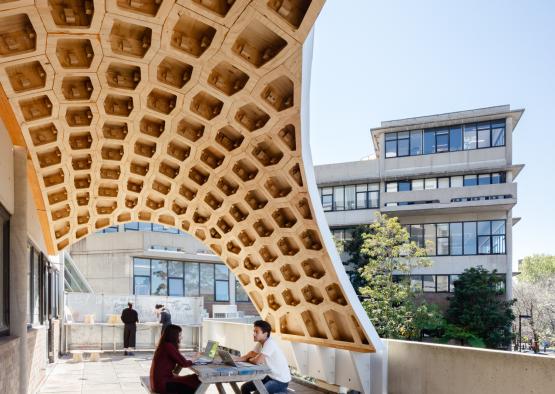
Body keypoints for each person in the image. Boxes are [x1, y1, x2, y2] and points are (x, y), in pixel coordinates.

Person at [239, 320, 291, 394]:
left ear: (265, 334)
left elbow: (257, 361)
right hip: (270, 377)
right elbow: (250, 355)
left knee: (258, 393)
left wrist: (249, 359)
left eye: (256, 332)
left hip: (280, 381)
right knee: (245, 387)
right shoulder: (260, 343)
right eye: (254, 331)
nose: (253, 334)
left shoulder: (270, 343)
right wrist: (234, 359)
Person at [150, 324, 201, 394]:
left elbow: (179, 359)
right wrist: (196, 358)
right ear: (173, 336)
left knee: (195, 379)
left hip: (158, 381)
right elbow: (184, 364)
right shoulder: (168, 346)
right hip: (162, 384)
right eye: (179, 335)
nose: (181, 337)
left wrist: (189, 359)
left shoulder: (165, 345)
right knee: (196, 380)